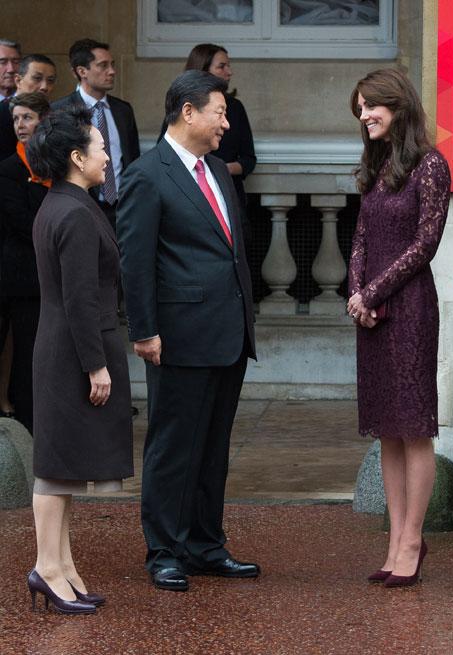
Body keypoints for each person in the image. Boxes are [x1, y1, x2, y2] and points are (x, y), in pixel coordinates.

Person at [117, 70, 257, 592]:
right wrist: (145, 329)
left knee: (213, 445)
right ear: (187, 112)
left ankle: (205, 544)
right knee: (174, 445)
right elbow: (135, 260)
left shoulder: (218, 169)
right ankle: (165, 550)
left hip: (228, 332)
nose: (226, 122)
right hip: (178, 334)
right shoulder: (146, 173)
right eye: (219, 112)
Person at [26, 106, 133, 614]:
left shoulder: (66, 203)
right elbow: (80, 298)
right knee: (54, 468)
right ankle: (48, 567)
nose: (107, 155)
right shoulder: (70, 211)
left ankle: (63, 566)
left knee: (64, 469)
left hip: (65, 345)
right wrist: (96, 365)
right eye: (99, 147)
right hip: (71, 350)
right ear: (76, 157)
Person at [347, 69, 450, 588]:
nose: (364, 115)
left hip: (409, 309)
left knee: (412, 427)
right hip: (373, 312)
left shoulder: (430, 164)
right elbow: (362, 234)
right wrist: (355, 292)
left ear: (397, 105)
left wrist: (373, 292)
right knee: (387, 428)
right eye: (360, 108)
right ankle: (394, 541)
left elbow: (424, 245)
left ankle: (413, 538)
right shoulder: (378, 163)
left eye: (371, 106)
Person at [160, 43, 256, 243]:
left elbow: (249, 159)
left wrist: (218, 169)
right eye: (221, 66)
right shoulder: (181, 109)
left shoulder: (236, 108)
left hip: (229, 198)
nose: (225, 124)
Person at [0, 92, 50, 432]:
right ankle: (27, 421)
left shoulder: (58, 165)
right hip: (24, 273)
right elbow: (20, 220)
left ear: (44, 121)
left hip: (55, 270)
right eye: (16, 118)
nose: (20, 125)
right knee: (27, 348)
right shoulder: (9, 168)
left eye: (27, 117)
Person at [52, 39, 140, 231]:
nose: (112, 71)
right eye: (103, 65)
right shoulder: (61, 110)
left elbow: (133, 159)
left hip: (122, 208)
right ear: (82, 71)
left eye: (113, 65)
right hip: (81, 206)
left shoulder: (123, 110)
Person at [0, 54, 57, 161]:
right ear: (18, 81)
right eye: (37, 78)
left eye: (50, 80)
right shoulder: (2, 112)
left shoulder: (58, 114)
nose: (44, 87)